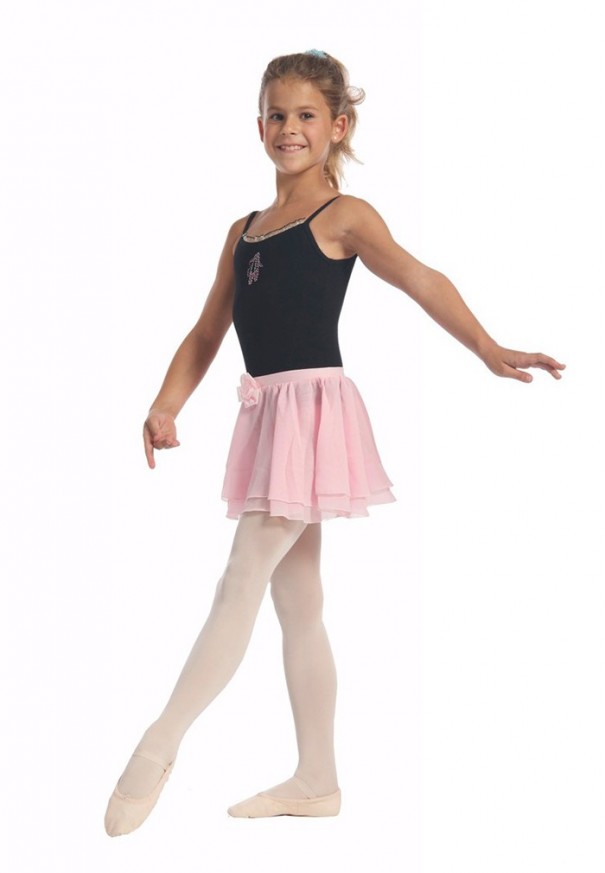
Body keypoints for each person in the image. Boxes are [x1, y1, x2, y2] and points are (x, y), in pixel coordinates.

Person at [104, 49, 565, 837]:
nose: (289, 128)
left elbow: (421, 278)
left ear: (338, 126)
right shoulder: (243, 232)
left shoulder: (342, 216)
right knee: (297, 600)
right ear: (258, 126)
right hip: (267, 415)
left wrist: (486, 346)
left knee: (242, 576)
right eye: (276, 115)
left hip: (311, 412)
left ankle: (158, 743)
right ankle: (316, 779)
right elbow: (209, 329)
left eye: (306, 115)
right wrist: (165, 401)